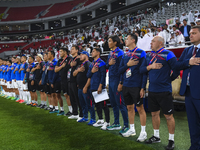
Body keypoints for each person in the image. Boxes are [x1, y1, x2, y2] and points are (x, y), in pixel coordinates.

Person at [140, 36, 179, 150]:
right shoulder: (149, 55)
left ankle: (171, 140)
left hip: (164, 90)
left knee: (168, 116)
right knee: (154, 114)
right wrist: (150, 66)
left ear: (160, 43)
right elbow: (142, 70)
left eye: (153, 41)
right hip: (152, 90)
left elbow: (176, 69)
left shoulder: (169, 54)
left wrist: (169, 79)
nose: (151, 43)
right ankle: (156, 136)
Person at [119, 34, 147, 141]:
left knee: (140, 108)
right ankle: (132, 129)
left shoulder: (141, 52)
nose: (125, 41)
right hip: (126, 85)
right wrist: (128, 65)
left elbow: (144, 72)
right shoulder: (125, 54)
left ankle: (143, 132)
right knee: (129, 108)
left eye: (127, 39)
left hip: (136, 85)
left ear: (133, 40)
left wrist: (142, 87)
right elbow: (120, 70)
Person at [175, 25, 200, 150]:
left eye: (194, 33)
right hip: (189, 92)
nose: (190, 35)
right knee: (192, 123)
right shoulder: (187, 50)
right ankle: (194, 146)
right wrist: (188, 62)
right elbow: (177, 65)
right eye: (190, 33)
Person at [106, 35, 129, 134]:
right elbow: (107, 65)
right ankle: (116, 123)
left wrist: (121, 82)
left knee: (120, 103)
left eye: (110, 41)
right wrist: (109, 64)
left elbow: (122, 69)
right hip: (111, 80)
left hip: (117, 81)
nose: (108, 42)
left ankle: (126, 125)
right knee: (113, 103)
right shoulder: (110, 53)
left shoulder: (120, 53)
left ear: (115, 42)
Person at [85, 47, 110, 130]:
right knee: (97, 104)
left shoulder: (102, 63)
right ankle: (100, 119)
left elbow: (103, 75)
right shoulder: (92, 64)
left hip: (99, 87)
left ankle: (108, 122)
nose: (92, 53)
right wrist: (92, 72)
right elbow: (88, 75)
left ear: (98, 53)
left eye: (93, 51)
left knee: (104, 105)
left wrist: (101, 85)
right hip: (93, 86)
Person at [73, 51, 96, 125]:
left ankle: (93, 118)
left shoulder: (88, 64)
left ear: (86, 55)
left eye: (82, 55)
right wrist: (78, 70)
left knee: (89, 104)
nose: (80, 56)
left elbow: (90, 77)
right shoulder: (80, 65)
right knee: (82, 104)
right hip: (80, 87)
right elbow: (73, 74)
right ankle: (85, 117)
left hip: (86, 87)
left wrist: (86, 87)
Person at [55, 48, 72, 116]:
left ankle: (73, 110)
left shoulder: (70, 58)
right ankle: (70, 110)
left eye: (61, 52)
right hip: (62, 80)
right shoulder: (60, 61)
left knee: (70, 95)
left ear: (65, 52)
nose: (60, 53)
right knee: (66, 95)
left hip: (69, 79)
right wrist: (61, 66)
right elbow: (56, 70)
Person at [68, 45, 83, 121]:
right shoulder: (72, 59)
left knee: (78, 98)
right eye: (71, 49)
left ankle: (81, 114)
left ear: (77, 50)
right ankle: (75, 113)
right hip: (70, 80)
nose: (71, 50)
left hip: (75, 80)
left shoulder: (79, 59)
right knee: (72, 98)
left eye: (73, 49)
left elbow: (79, 69)